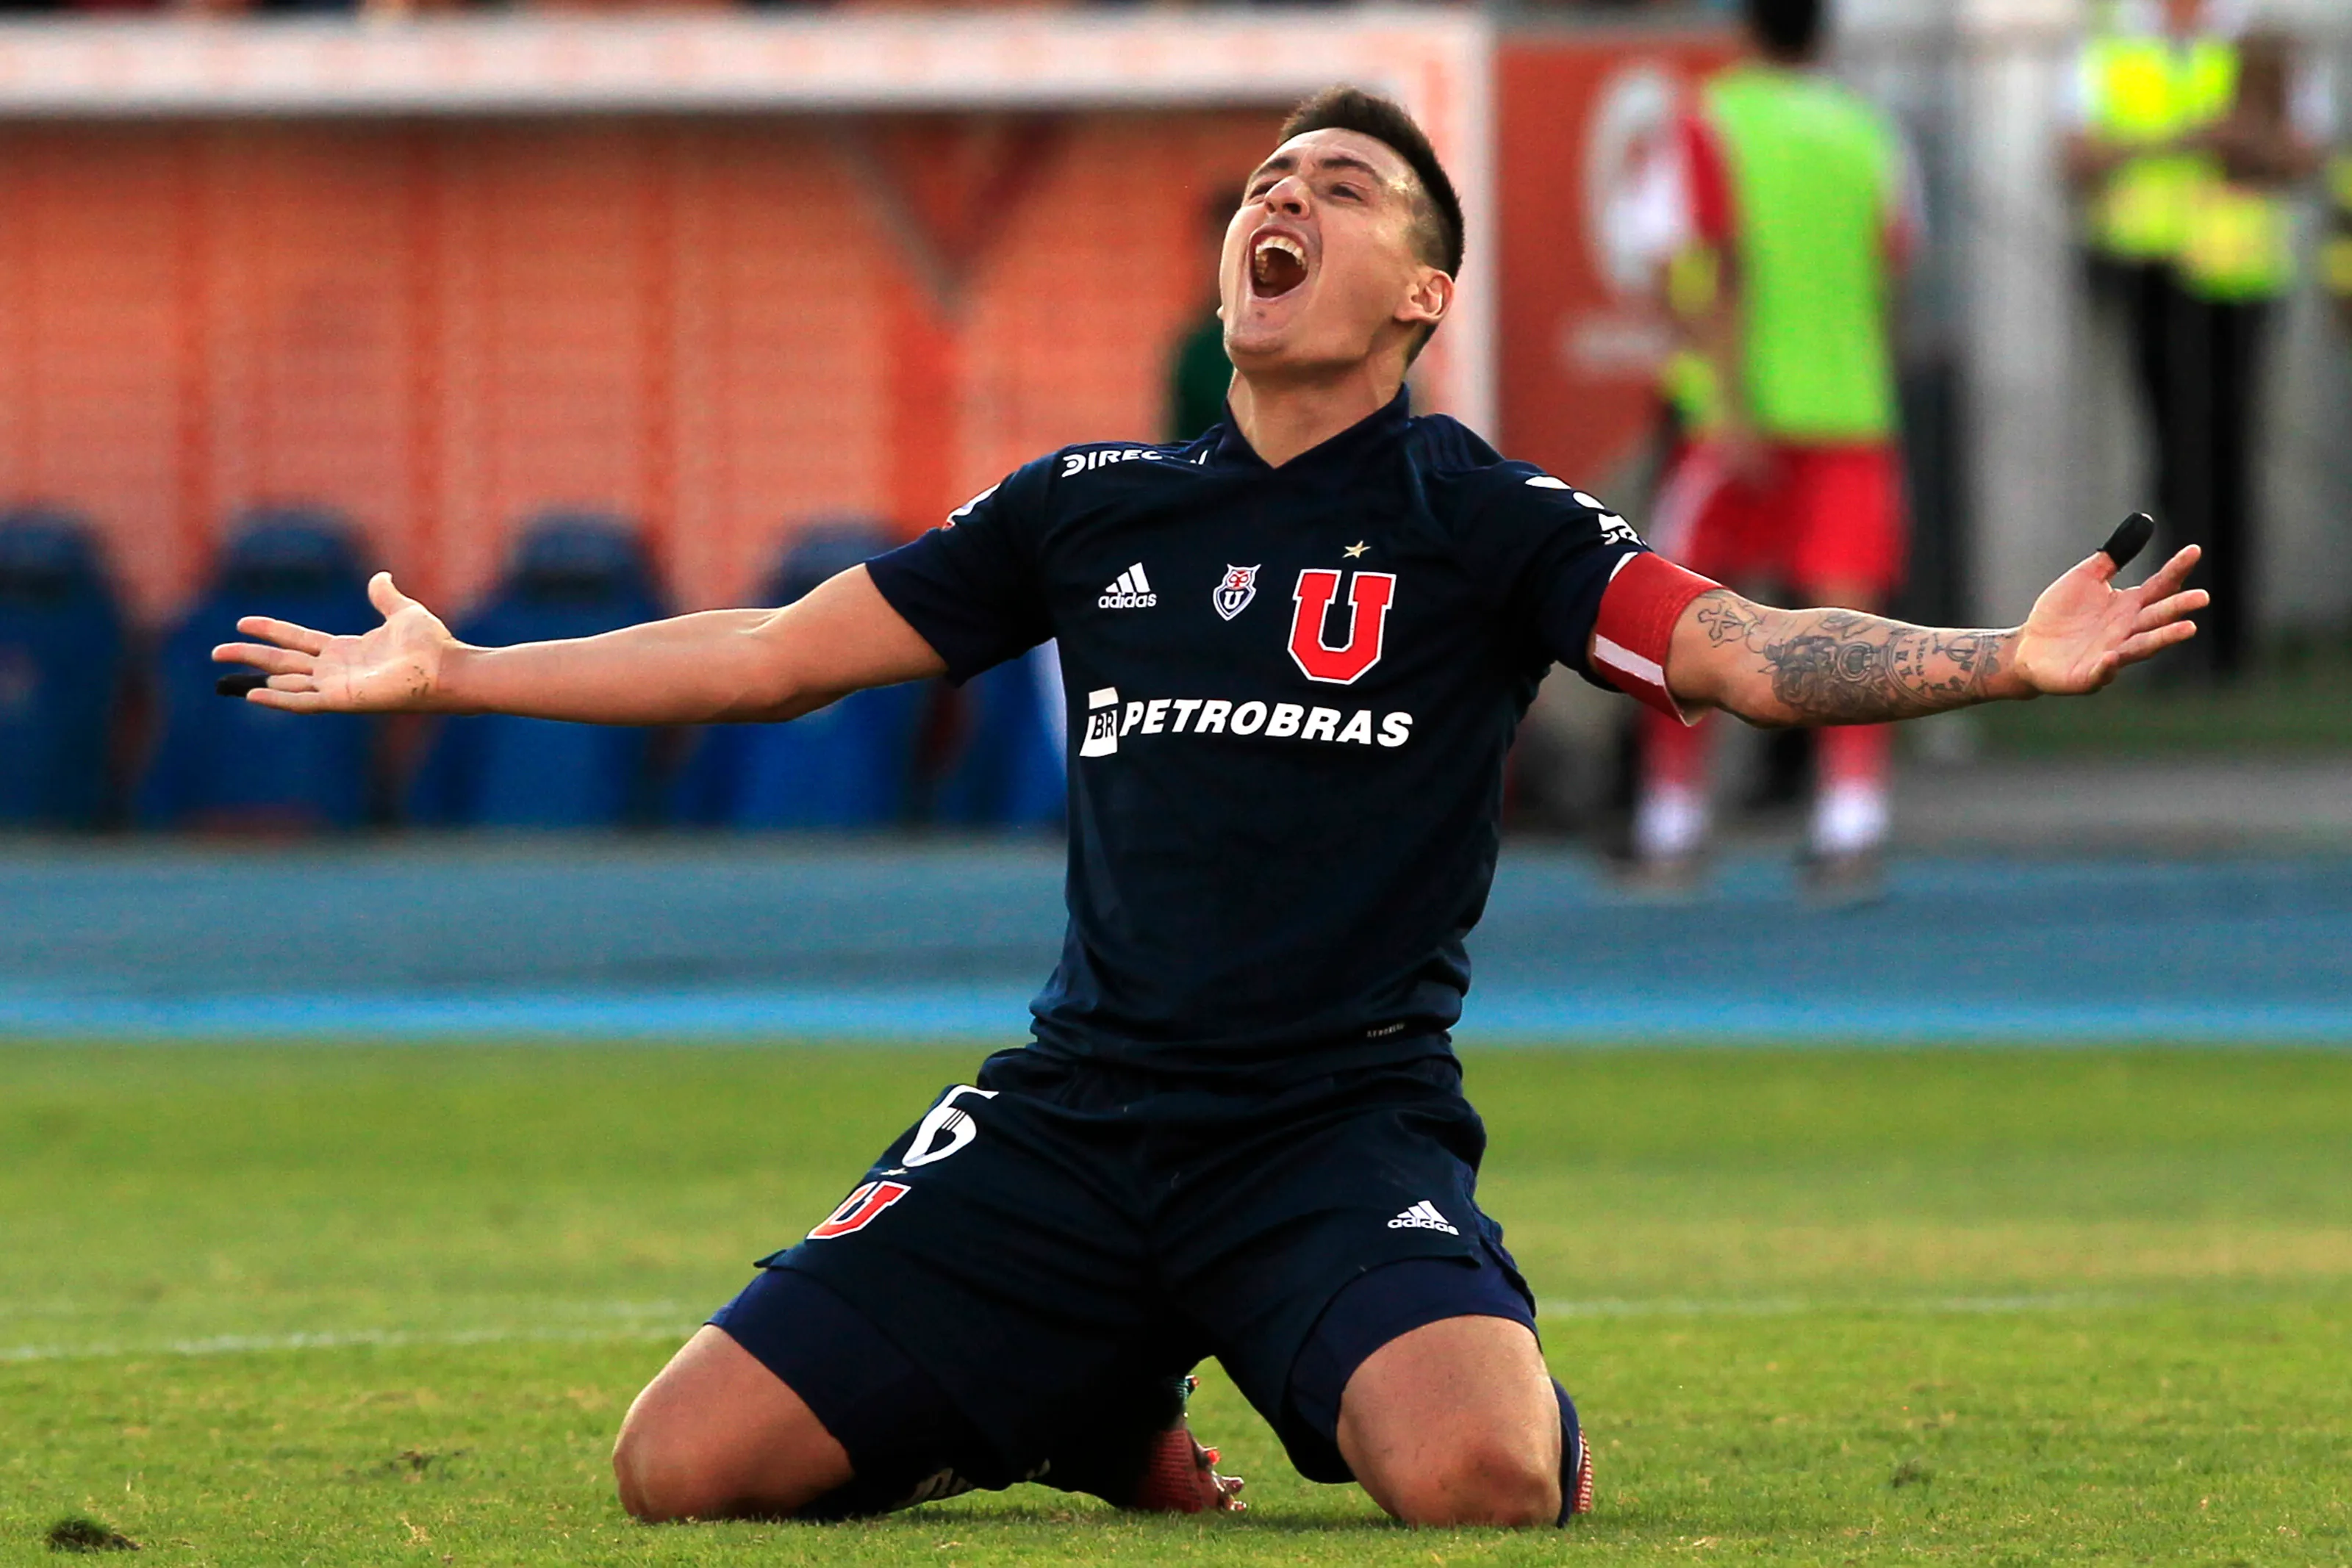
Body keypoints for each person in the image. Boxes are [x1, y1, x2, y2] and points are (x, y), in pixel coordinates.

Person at [214, 86, 2206, 1530]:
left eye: (1341, 186)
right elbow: (774, 652)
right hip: (1075, 1115)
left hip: (1327, 1126)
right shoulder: (1090, 506)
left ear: (1421, 293)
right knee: (679, 1467)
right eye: (1270, 180)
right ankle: (1087, 1394)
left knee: (1491, 1480)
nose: (1288, 200)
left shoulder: (1484, 518)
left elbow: (1745, 651)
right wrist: (463, 667)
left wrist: (1995, 656)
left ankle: (1279, 1355)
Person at [1630, 0, 1918, 893]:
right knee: (1847, 627)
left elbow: (1693, 260)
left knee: (1681, 619)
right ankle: (1850, 821)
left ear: (1742, 28)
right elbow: (1893, 265)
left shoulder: (1706, 121)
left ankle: (1672, 826)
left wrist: (1727, 400)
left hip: (1734, 419)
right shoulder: (1867, 131)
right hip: (1847, 408)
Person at [2169, 28, 2322, 678]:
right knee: (2194, 467)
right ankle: (2203, 637)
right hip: (2196, 292)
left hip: (2233, 295)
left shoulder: (2270, 129)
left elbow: (2301, 158)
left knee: (2216, 468)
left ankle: (2221, 639)